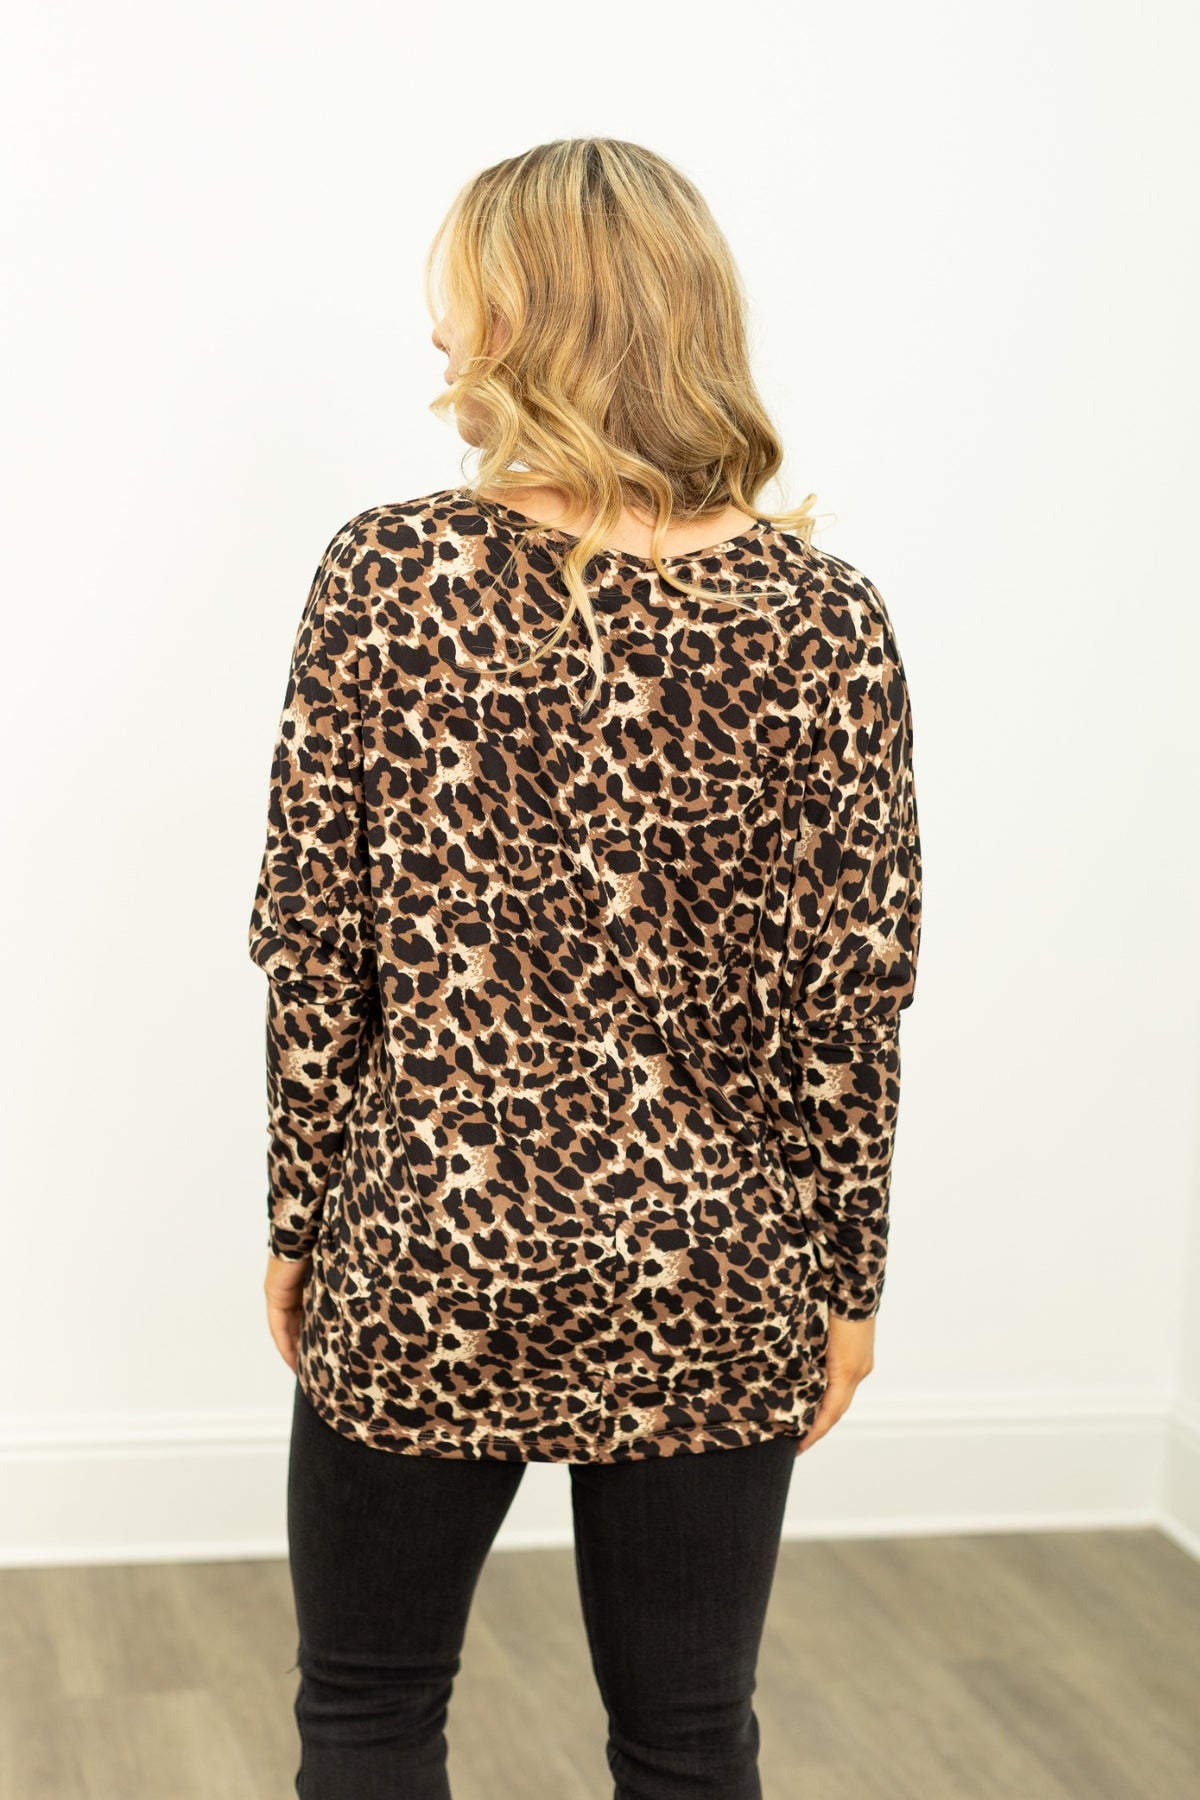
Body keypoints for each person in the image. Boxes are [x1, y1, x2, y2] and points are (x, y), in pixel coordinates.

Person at [249, 136, 923, 1800]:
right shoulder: (825, 621)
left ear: (541, 322)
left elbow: (314, 949)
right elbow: (848, 1001)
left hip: (431, 1240)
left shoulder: (386, 576)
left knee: (368, 1710)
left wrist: (302, 1219)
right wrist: (848, 1278)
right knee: (691, 1739)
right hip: (711, 1261)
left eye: (463, 301)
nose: (438, 337)